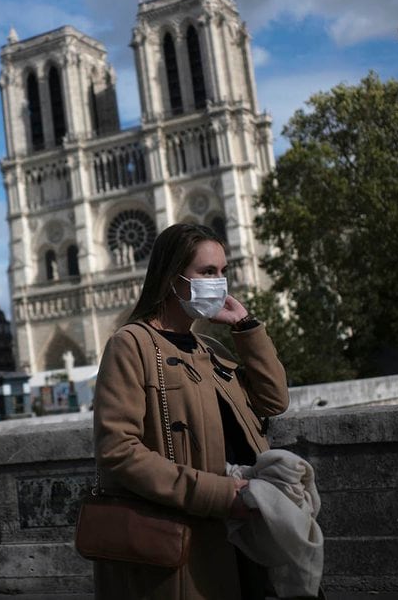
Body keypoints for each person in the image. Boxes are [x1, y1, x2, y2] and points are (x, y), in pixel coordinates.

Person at [92, 223, 294, 599]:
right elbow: (117, 451)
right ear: (172, 278)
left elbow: (274, 400)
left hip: (243, 533)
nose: (219, 283)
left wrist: (246, 328)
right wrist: (219, 495)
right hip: (188, 538)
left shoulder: (208, 348)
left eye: (222, 272)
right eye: (206, 272)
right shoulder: (131, 344)